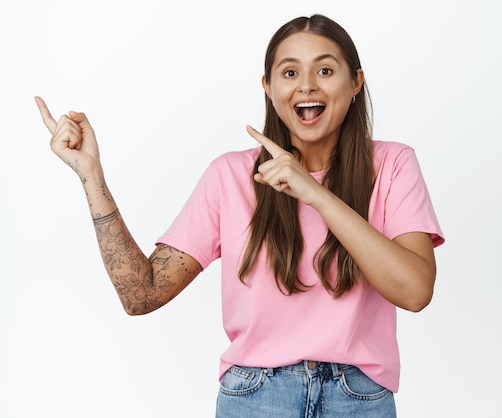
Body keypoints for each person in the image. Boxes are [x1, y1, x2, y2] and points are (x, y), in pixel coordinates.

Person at [35, 14, 444, 418]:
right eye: (289, 72)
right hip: (256, 398)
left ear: (355, 81)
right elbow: (142, 294)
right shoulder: (229, 176)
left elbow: (415, 292)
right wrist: (91, 176)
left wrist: (315, 193)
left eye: (325, 69)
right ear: (268, 87)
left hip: (358, 399)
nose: (306, 85)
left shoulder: (392, 165)